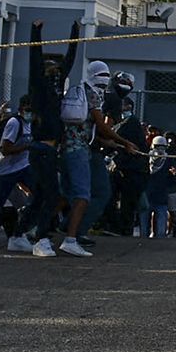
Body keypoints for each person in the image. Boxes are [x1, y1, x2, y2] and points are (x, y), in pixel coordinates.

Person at [9, 20, 79, 258]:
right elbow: (34, 60)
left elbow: (69, 60)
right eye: (53, 72)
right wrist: (36, 32)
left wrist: (75, 33)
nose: (57, 75)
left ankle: (17, 236)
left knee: (40, 197)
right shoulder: (38, 88)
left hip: (49, 151)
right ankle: (40, 239)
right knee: (52, 196)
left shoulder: (57, 91)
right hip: (41, 150)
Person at [59, 61, 140, 257]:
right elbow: (103, 127)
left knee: (66, 193)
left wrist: (114, 143)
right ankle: (72, 234)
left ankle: (47, 230)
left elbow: (96, 129)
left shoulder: (80, 90)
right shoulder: (99, 96)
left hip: (70, 147)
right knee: (88, 194)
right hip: (83, 149)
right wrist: (123, 142)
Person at [0, 96, 33, 247]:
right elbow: (6, 149)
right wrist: (28, 146)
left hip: (23, 166)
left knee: (42, 193)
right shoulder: (14, 123)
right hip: (5, 170)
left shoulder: (30, 123)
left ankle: (26, 229)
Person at [111, 96, 149, 238]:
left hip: (131, 170)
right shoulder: (128, 123)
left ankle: (122, 230)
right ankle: (122, 228)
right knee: (126, 202)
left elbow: (114, 134)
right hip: (129, 169)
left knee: (127, 203)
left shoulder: (129, 123)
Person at [145, 135, 176, 238]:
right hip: (148, 195)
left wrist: (173, 174)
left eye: (162, 147)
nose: (160, 150)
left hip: (161, 195)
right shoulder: (147, 158)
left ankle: (159, 243)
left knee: (160, 231)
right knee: (144, 227)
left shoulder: (168, 159)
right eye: (158, 147)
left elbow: (173, 176)